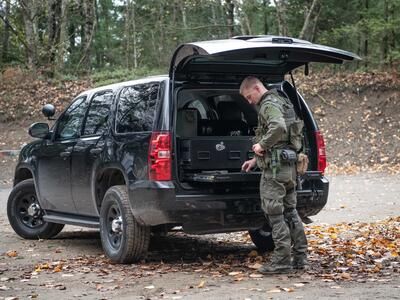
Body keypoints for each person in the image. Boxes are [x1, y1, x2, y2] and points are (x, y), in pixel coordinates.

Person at [240, 76, 308, 274]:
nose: (249, 101)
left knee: (275, 214)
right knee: (290, 211)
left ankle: (281, 261)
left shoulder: (268, 105)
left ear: (256, 88)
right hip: (288, 168)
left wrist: (261, 144)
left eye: (248, 96)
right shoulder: (282, 100)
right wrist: (255, 160)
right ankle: (300, 257)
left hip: (275, 171)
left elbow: (278, 127)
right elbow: (284, 139)